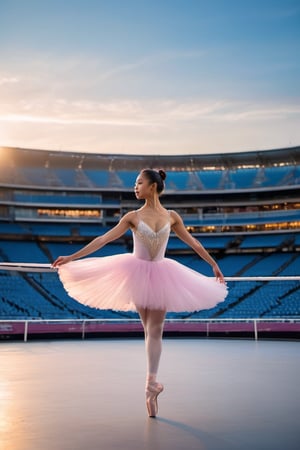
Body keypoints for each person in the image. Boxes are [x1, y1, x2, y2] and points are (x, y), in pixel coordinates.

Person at [52, 168, 227, 418]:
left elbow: (194, 242)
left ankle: (150, 386)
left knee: (153, 331)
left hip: (162, 274)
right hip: (136, 273)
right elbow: (103, 239)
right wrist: (72, 257)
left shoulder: (172, 216)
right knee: (151, 330)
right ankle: (150, 385)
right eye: (135, 183)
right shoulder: (132, 216)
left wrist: (213, 264)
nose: (135, 187)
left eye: (139, 182)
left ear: (152, 186)